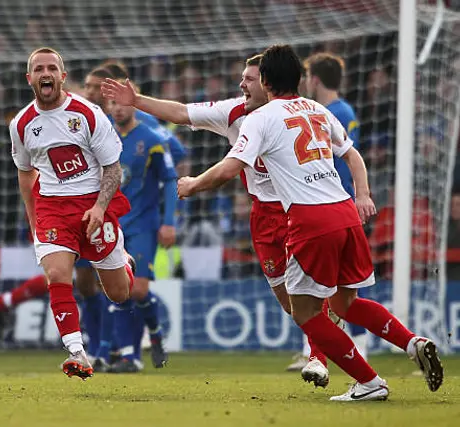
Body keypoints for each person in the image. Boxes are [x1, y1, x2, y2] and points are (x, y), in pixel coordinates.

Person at [176, 44, 443, 401]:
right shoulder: (317, 108)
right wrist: (363, 194)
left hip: (310, 218)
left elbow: (229, 168)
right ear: (300, 78)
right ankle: (412, 342)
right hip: (346, 213)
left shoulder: (261, 117)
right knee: (345, 304)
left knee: (305, 312)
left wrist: (193, 184)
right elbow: (351, 154)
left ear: (266, 81)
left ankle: (369, 382)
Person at [102, 54, 335, 387]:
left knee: (306, 290)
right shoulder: (233, 112)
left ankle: (319, 357)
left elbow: (344, 152)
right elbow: (182, 113)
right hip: (263, 216)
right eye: (241, 78)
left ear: (267, 82)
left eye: (250, 79)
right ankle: (326, 323)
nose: (242, 84)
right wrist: (137, 100)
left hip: (298, 210)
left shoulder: (297, 112)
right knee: (290, 303)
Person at [10, 47, 135, 379]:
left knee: (119, 293)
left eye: (52, 68)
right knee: (56, 274)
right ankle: (78, 352)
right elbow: (25, 174)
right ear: (30, 78)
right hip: (52, 206)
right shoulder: (21, 124)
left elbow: (113, 169)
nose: (46, 73)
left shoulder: (88, 114)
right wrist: (34, 218)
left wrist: (99, 207)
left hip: (94, 204)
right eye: (38, 69)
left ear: (62, 77)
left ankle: (123, 261)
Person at [290, 52, 369, 366]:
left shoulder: (330, 112)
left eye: (308, 77)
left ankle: (341, 349)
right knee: (320, 283)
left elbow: (347, 158)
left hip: (329, 203)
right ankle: (317, 351)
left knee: (330, 283)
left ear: (315, 79)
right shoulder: (337, 110)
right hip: (334, 204)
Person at [95, 90, 177, 373]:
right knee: (117, 290)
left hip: (143, 224)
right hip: (113, 224)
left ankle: (154, 333)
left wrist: (169, 222)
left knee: (138, 289)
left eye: (122, 102)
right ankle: (129, 356)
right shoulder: (103, 137)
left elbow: (170, 179)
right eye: (113, 103)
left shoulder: (152, 139)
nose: (118, 108)